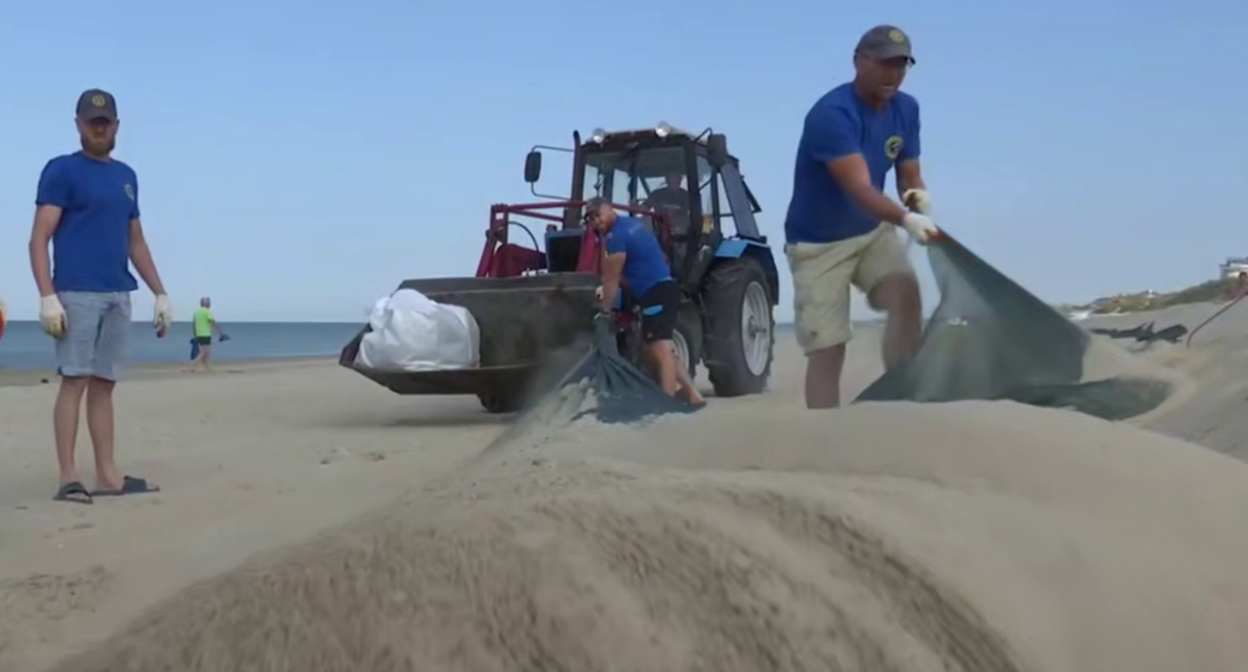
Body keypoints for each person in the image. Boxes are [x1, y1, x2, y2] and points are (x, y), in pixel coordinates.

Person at [782, 24, 939, 409]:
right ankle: (825, 438)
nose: (894, 73)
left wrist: (915, 196)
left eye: (902, 65)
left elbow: (908, 172)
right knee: (828, 349)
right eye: (885, 63)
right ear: (859, 61)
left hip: (870, 232)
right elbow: (861, 189)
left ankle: (902, 397)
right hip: (817, 245)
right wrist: (905, 220)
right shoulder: (831, 115)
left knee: (905, 294)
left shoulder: (907, 108)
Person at [28, 88, 173, 504]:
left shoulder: (126, 177)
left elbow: (136, 242)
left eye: (105, 122)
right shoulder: (61, 171)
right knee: (74, 381)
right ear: (78, 125)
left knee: (105, 384)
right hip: (76, 293)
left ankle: (108, 476)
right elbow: (39, 239)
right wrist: (46, 296)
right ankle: (68, 477)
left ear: (116, 126)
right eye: (91, 122)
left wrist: (159, 292)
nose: (99, 128)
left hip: (118, 294)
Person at [586, 198, 705, 405]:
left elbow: (611, 280)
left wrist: (604, 311)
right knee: (659, 347)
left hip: (656, 293)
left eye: (598, 214)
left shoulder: (616, 236)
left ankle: (667, 402)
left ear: (609, 209)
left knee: (659, 348)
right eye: (591, 218)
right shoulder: (633, 225)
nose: (596, 221)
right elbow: (657, 259)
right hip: (663, 289)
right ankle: (693, 394)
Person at [186, 296, 224, 372]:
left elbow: (194, 324)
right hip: (205, 334)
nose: (210, 304)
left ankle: (205, 368)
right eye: (209, 302)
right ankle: (192, 364)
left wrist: (194, 334)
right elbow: (213, 322)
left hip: (198, 334)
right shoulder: (207, 311)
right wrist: (220, 333)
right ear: (207, 304)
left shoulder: (196, 312)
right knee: (204, 351)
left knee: (204, 353)